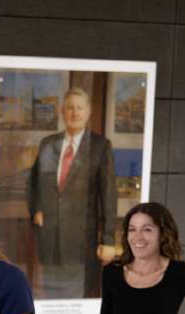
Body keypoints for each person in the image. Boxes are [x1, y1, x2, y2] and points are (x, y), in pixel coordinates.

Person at [26, 86, 118, 298]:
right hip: (49, 236)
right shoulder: (48, 144)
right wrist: (36, 209)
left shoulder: (100, 146)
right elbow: (33, 182)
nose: (75, 113)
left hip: (82, 242)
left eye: (80, 108)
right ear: (62, 111)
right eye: (70, 108)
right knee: (49, 295)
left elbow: (109, 196)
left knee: (75, 299)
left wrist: (109, 240)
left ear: (88, 112)